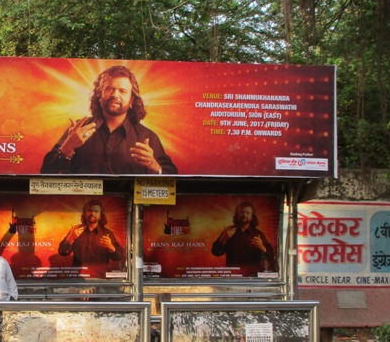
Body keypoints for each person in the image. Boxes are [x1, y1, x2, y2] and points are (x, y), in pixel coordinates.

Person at [41, 65, 178, 175]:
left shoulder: (147, 136)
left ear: (132, 101)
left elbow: (173, 180)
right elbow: (45, 172)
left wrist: (154, 166)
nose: (115, 95)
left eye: (122, 91)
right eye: (109, 89)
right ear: (99, 96)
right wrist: (67, 147)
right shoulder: (77, 130)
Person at [58, 199, 124, 278]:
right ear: (85, 213)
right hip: (79, 278)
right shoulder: (75, 231)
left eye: (96, 211)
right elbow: (62, 252)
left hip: (100, 279)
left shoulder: (108, 233)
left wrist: (111, 248)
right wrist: (70, 239)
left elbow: (118, 257)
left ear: (100, 216)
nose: (92, 213)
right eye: (89, 210)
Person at [211, 201, 278, 277]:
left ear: (252, 216)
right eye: (242, 212)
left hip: (253, 278)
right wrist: (222, 239)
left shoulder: (258, 234)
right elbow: (215, 252)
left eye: (247, 213)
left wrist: (262, 247)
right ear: (237, 214)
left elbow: (271, 256)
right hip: (232, 277)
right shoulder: (228, 232)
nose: (244, 215)